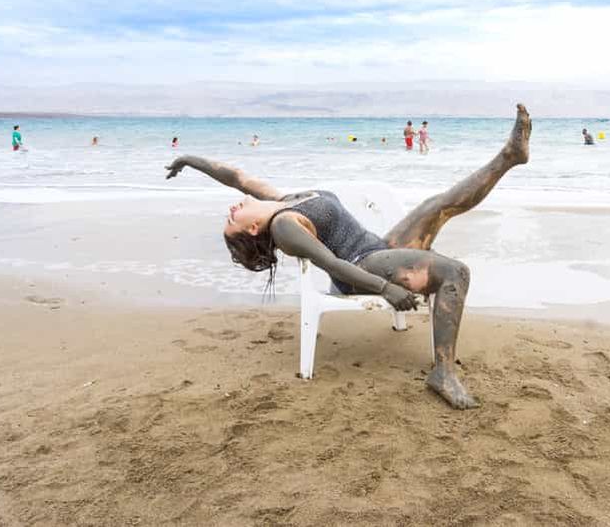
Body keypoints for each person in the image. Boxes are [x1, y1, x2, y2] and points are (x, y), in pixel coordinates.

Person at [164, 104, 531, 409]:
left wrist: (187, 160)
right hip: (362, 267)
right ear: (254, 229)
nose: (232, 208)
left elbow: (235, 175)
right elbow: (333, 265)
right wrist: (385, 289)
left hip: (378, 248)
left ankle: (509, 157)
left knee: (437, 205)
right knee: (456, 273)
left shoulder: (281, 200)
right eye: (232, 220)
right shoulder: (284, 225)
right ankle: (443, 372)